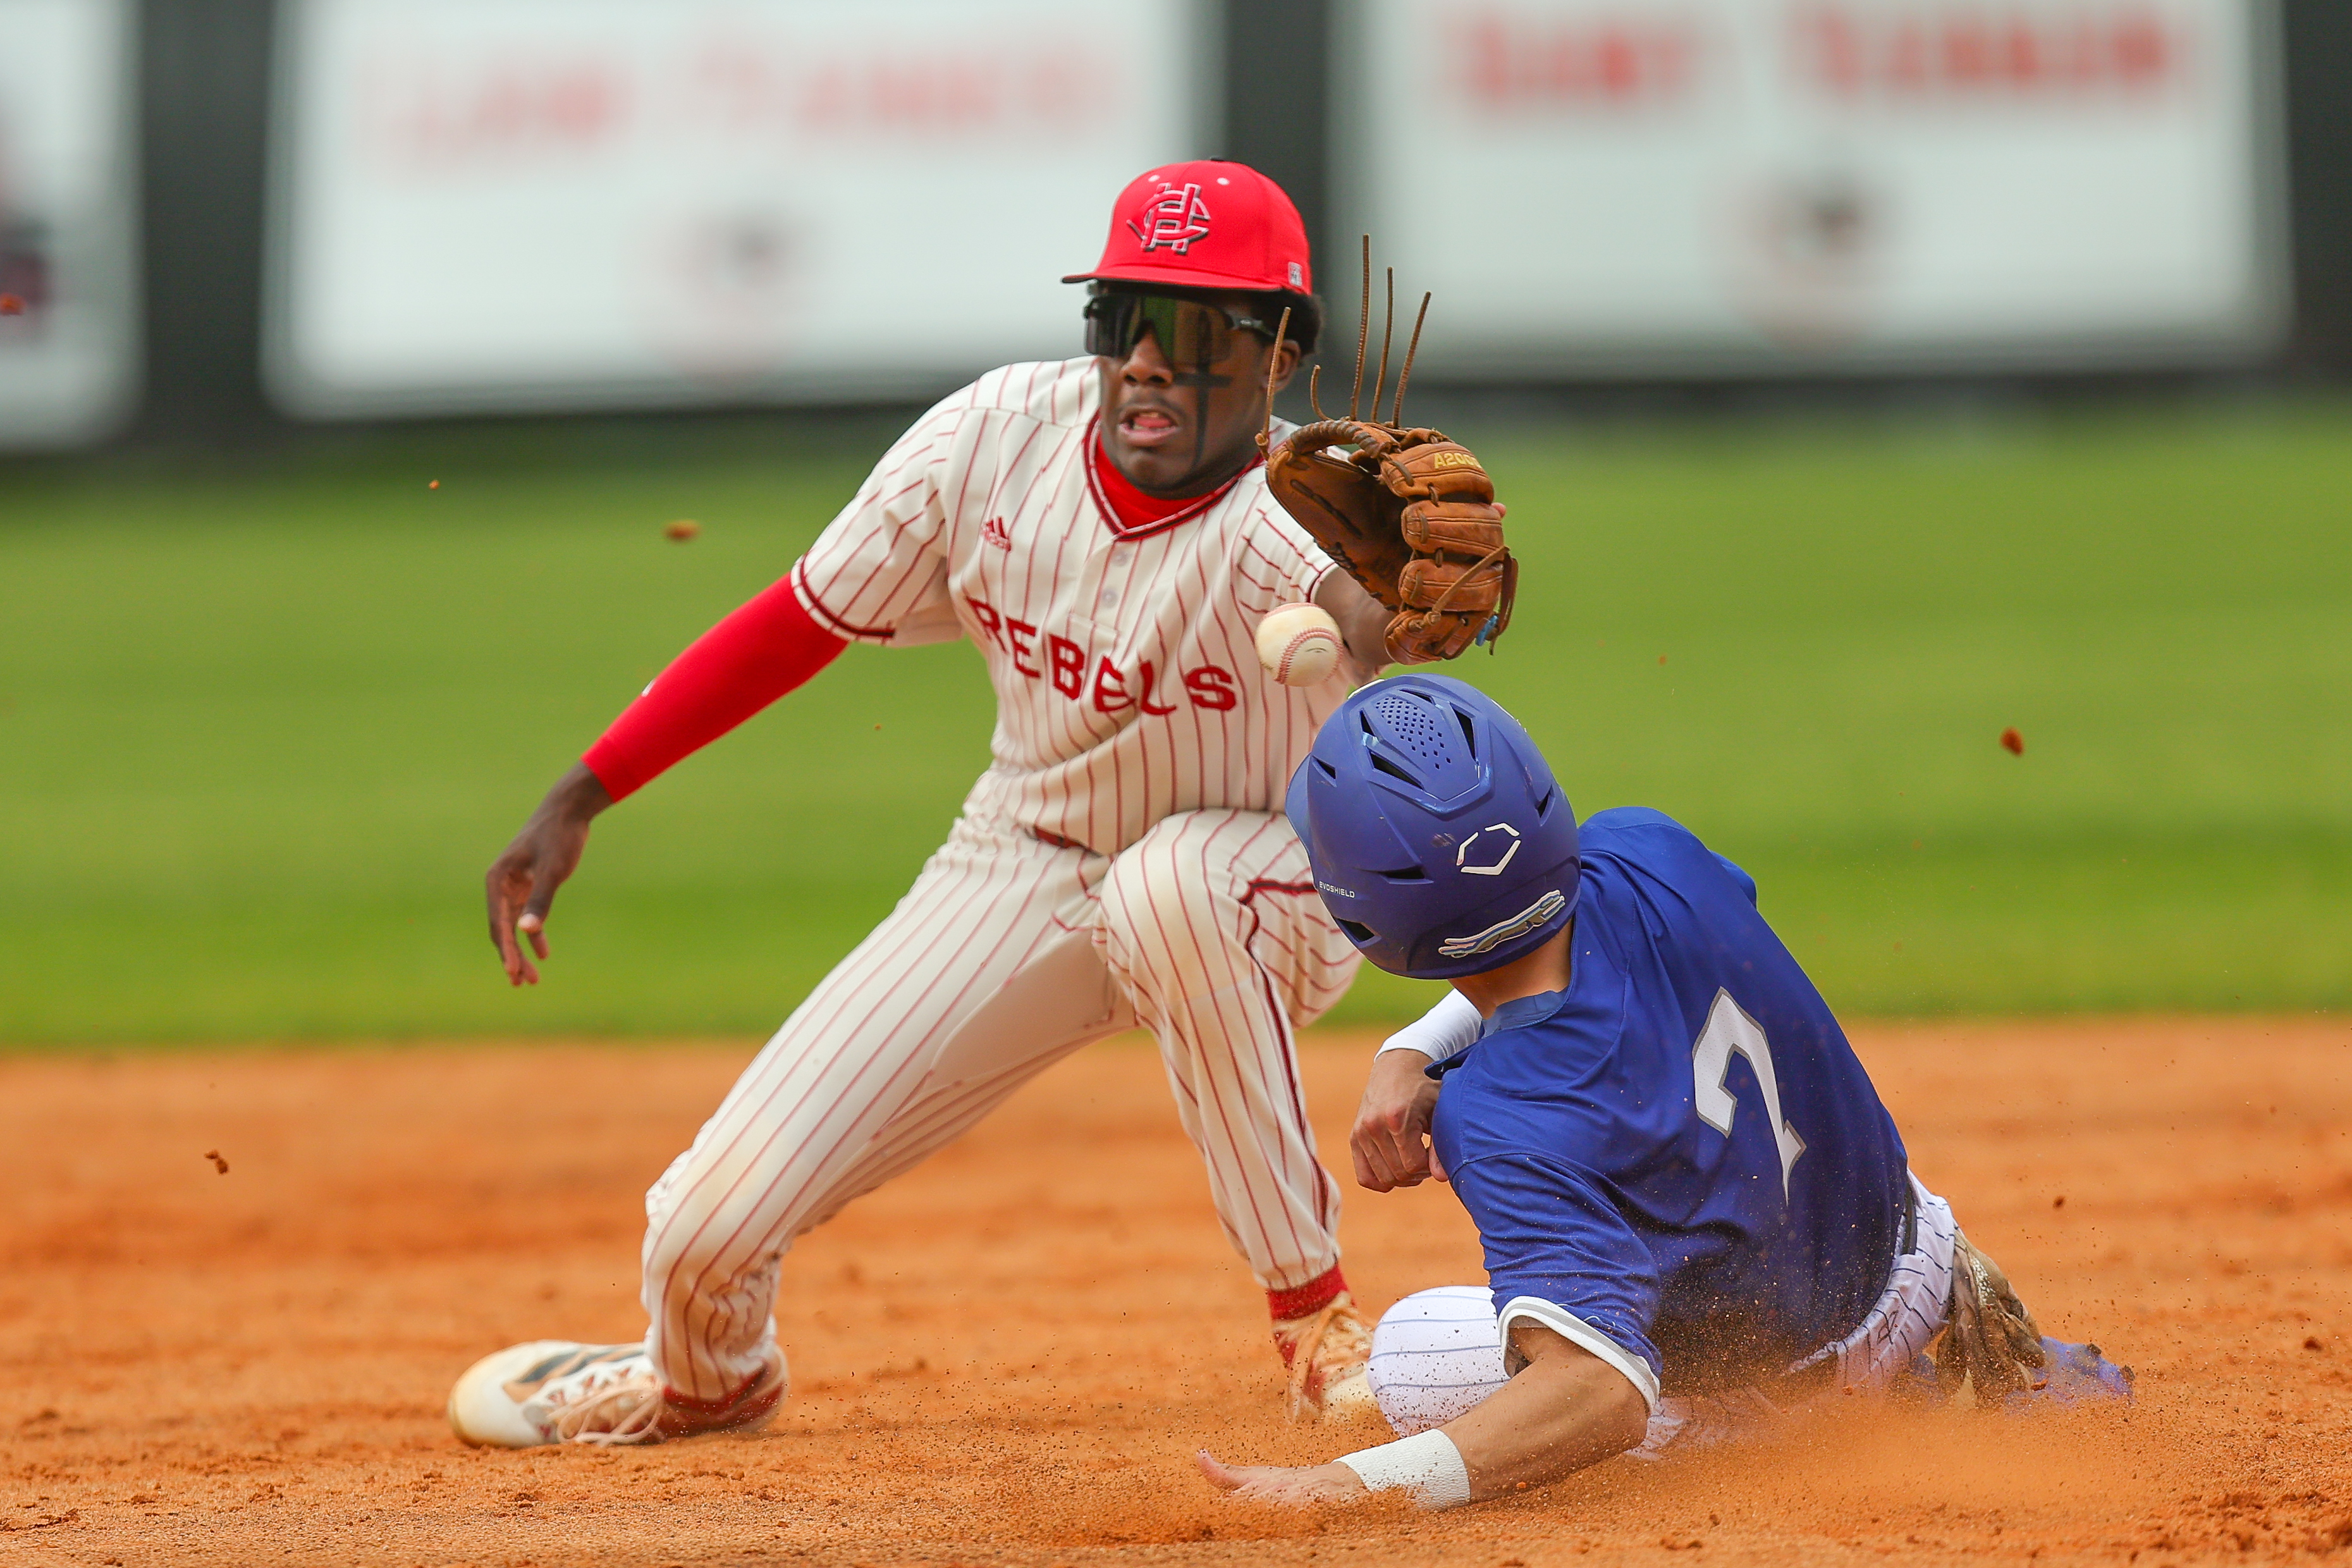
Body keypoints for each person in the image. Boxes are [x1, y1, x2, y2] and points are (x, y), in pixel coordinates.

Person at [448, 161, 1449, 1448]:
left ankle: (1316, 1326)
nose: (1147, 360)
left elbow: (1403, 647)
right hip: (1023, 856)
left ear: (1281, 356)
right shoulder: (990, 443)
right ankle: (710, 1377)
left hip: (1271, 885)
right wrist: (587, 788)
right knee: (701, 1234)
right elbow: (799, 620)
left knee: (1173, 891)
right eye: (1121, 319)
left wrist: (1434, 613)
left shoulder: (1307, 528)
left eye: (1196, 330)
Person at [1199, 675, 2131, 1509]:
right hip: (1920, 1254)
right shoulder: (1648, 849)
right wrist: (1413, 1050)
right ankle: (1966, 1362)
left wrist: (1343, 1485)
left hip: (1799, 1384)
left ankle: (1885, 1415)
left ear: (1367, 916)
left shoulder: (1498, 1114)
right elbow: (1557, 950)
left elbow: (1600, 1395)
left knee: (1409, 1354)